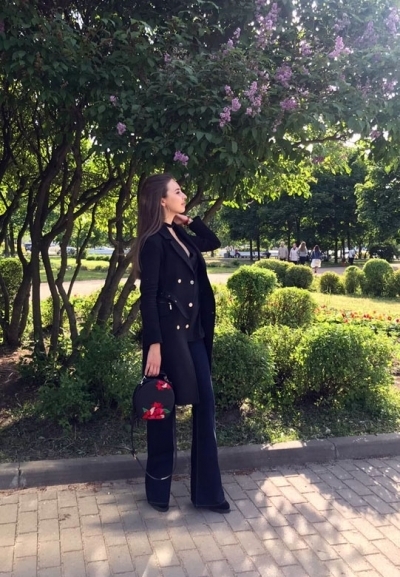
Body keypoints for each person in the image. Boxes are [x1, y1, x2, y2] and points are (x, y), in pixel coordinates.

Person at [133, 173, 230, 515]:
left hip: (194, 335)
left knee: (206, 405)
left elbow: (213, 241)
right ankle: (158, 491)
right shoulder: (153, 241)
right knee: (162, 409)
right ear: (162, 199)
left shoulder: (180, 233)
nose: (184, 194)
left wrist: (189, 221)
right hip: (168, 338)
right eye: (177, 191)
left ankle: (208, 493)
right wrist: (153, 345)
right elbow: (148, 297)